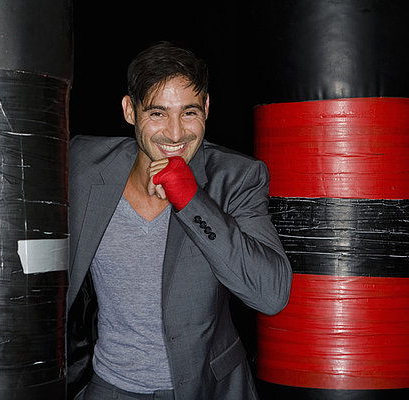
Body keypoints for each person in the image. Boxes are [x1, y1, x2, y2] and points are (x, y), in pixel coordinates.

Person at [67, 41, 292, 400]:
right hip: (108, 386)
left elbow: (271, 294)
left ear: (206, 107)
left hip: (205, 388)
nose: (175, 134)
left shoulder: (235, 178)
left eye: (188, 112)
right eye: (157, 113)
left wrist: (192, 202)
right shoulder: (83, 162)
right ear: (130, 110)